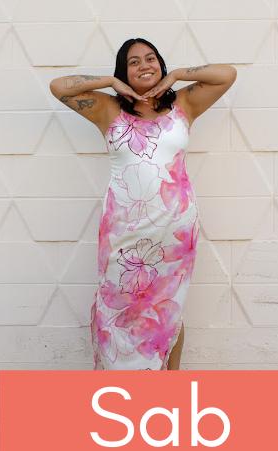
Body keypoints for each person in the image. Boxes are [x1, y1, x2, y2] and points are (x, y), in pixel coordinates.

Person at [50, 38, 236, 370]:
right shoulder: (107, 108)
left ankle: (169, 387)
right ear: (124, 72)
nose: (144, 65)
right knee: (118, 306)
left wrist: (176, 75)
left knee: (169, 308)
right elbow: (58, 87)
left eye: (151, 59)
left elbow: (227, 74)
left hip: (175, 228)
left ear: (160, 66)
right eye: (133, 62)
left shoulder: (184, 104)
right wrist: (110, 83)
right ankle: (121, 390)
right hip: (124, 229)